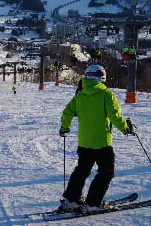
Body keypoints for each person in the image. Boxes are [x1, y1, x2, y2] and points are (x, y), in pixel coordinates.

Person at [58, 64, 135, 212]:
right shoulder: (106, 95)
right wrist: (126, 128)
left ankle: (71, 199)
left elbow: (67, 113)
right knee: (106, 172)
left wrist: (64, 128)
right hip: (102, 143)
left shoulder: (80, 95)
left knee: (82, 170)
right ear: (102, 77)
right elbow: (115, 116)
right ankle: (93, 202)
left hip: (84, 143)